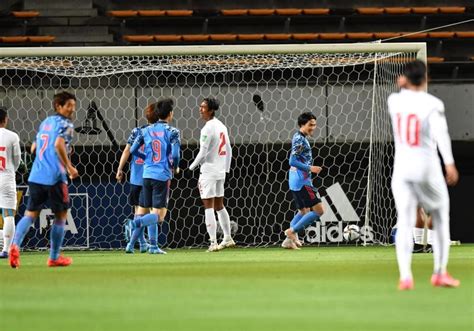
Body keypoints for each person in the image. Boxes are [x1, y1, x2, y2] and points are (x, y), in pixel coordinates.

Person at [388, 60, 460, 290]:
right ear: (426, 78)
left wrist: (403, 86)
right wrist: (449, 163)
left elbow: (402, 94)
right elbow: (442, 135)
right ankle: (439, 272)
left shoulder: (394, 101)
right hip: (427, 168)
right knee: (440, 217)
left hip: (402, 170)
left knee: (404, 221)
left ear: (405, 79)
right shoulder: (433, 104)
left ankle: (405, 277)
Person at [9, 91, 79, 268]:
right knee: (61, 215)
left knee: (30, 214)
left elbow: (33, 147)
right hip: (55, 176)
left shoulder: (46, 122)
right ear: (59, 106)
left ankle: (15, 245)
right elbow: (58, 145)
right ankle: (54, 257)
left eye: (74, 105)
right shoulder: (66, 124)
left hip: (36, 176)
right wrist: (69, 167)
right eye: (69, 105)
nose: (73, 109)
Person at [127, 98, 180, 254]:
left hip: (146, 175)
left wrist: (146, 158)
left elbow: (132, 150)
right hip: (161, 176)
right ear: (170, 114)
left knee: (147, 210)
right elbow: (176, 155)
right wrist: (175, 166)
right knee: (159, 216)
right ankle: (135, 224)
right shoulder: (172, 132)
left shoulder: (145, 131)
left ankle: (153, 246)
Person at [189, 97, 234, 252]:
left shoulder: (207, 128)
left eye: (203, 107)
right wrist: (225, 170)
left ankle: (213, 242)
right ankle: (227, 237)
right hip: (220, 171)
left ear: (211, 110)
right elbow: (229, 149)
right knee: (219, 205)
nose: (200, 109)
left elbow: (202, 153)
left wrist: (191, 167)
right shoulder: (221, 126)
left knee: (208, 206)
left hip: (208, 171)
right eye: (200, 106)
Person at [116, 105, 159, 253]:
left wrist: (120, 169)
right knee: (152, 213)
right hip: (149, 177)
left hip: (134, 178)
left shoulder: (136, 131)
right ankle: (149, 245)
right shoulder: (156, 133)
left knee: (138, 212)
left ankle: (142, 244)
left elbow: (127, 150)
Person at [282, 112, 324, 249]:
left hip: (295, 180)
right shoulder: (300, 139)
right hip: (302, 181)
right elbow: (292, 161)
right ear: (302, 124)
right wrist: (310, 168)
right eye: (310, 125)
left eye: (315, 125)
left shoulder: (299, 137)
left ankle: (288, 241)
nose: (313, 127)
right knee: (319, 211)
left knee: (303, 211)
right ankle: (291, 232)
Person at [0, 107, 21, 258]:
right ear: (5, 119)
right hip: (6, 178)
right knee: (8, 215)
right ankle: (6, 250)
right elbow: (17, 159)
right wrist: (11, 169)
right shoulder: (12, 136)